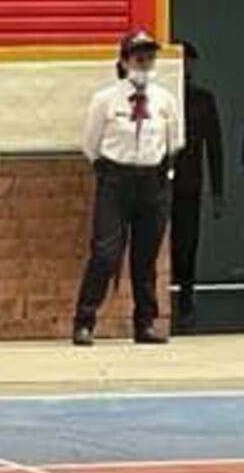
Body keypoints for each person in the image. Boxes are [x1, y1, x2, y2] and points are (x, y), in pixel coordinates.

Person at [72, 29, 184, 346]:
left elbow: (174, 142)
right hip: (116, 181)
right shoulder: (106, 100)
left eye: (150, 57)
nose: (145, 63)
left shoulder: (165, 100)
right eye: (139, 57)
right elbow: (91, 145)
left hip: (153, 181)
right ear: (124, 61)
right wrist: (110, 172)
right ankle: (84, 320)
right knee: (106, 253)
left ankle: (145, 323)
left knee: (145, 258)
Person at [169, 40, 226, 332]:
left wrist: (218, 192)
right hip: (159, 183)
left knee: (187, 245)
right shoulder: (160, 97)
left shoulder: (202, 100)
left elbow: (214, 147)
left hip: (190, 183)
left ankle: (186, 298)